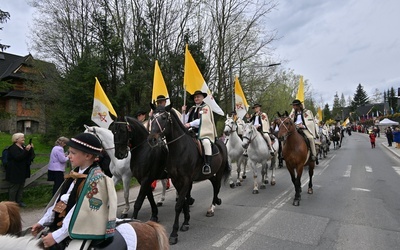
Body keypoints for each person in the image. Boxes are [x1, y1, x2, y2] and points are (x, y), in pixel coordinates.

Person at [31, 133, 117, 249]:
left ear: (87, 156)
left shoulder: (96, 180)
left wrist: (56, 236)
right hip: (62, 227)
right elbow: (59, 203)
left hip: (79, 229)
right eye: (69, 152)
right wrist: (43, 222)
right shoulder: (75, 175)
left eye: (73, 153)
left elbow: (80, 212)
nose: (69, 156)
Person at [182, 90, 217, 175]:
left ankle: (207, 165)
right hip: (190, 132)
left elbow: (203, 120)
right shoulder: (192, 109)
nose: (196, 98)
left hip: (203, 132)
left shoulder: (205, 107)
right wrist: (183, 112)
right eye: (195, 97)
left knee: (206, 143)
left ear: (202, 97)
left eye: (198, 97)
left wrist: (190, 124)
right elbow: (184, 120)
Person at [5, 133, 35, 207]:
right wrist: (26, 151)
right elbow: (18, 157)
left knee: (21, 186)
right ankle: (12, 203)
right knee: (14, 187)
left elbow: (30, 157)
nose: (24, 139)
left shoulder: (23, 147)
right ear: (16, 139)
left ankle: (19, 201)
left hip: (23, 170)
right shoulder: (13, 148)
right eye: (22, 138)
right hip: (15, 171)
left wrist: (31, 149)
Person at [150, 95, 172, 190]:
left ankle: (168, 167)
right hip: (157, 134)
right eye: (159, 102)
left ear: (165, 102)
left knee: (167, 147)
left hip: (167, 134)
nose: (160, 103)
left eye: (162, 101)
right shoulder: (154, 112)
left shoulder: (169, 110)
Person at [290, 99, 319, 164]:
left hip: (304, 128)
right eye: (293, 106)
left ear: (298, 106)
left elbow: (310, 122)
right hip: (295, 128)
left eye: (294, 106)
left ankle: (313, 155)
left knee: (310, 138)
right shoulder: (293, 113)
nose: (293, 107)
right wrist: (294, 125)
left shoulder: (307, 112)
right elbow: (290, 121)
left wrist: (303, 126)